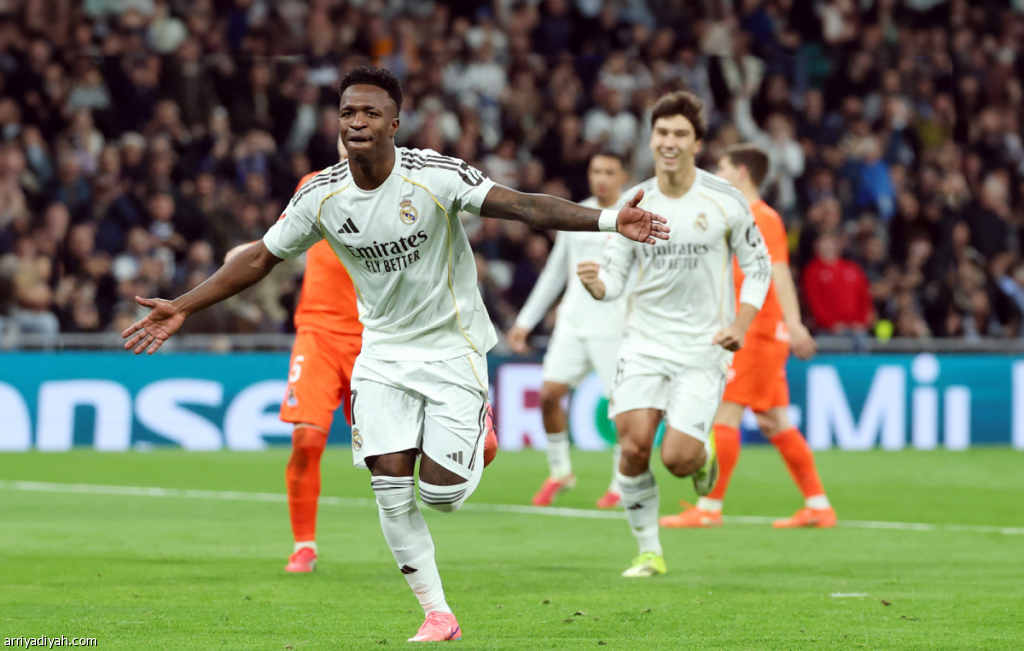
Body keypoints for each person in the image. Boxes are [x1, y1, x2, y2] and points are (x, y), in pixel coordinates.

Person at [122, 66, 668, 643]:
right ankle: (437, 614)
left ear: (394, 124)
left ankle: (479, 428)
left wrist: (609, 220)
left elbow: (523, 206)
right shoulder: (320, 194)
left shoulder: (434, 175)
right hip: (381, 352)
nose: (357, 121)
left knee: (441, 495)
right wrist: (182, 306)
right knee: (387, 483)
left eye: (370, 113)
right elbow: (259, 258)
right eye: (348, 113)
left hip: (451, 347)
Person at [578, 91, 772, 578]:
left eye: (680, 134)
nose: (669, 141)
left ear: (696, 144)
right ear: (651, 139)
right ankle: (649, 551)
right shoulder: (635, 201)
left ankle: (700, 455)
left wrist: (740, 325)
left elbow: (759, 267)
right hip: (644, 342)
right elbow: (614, 280)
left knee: (678, 460)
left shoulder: (724, 200)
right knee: (633, 446)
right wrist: (597, 286)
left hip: (703, 347)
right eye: (662, 132)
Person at [660, 144, 836, 530]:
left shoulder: (763, 217)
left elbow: (778, 271)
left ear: (742, 172)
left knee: (726, 411)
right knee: (774, 421)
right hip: (752, 329)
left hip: (756, 330)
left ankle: (709, 508)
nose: (716, 174)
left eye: (722, 167)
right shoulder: (736, 215)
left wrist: (794, 323)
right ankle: (818, 505)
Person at [224, 135, 364, 574]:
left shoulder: (401, 193)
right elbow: (286, 235)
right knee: (306, 439)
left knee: (387, 454)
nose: (350, 143)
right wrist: (252, 252)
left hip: (375, 337)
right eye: (344, 134)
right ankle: (304, 544)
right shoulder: (313, 184)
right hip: (318, 332)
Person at [506, 152, 630, 509]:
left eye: (609, 172)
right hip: (573, 324)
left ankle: (621, 484)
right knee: (548, 395)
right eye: (595, 171)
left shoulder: (631, 217)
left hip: (615, 326)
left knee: (623, 409)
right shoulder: (578, 214)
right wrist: (525, 322)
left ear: (623, 176)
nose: (601, 178)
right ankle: (560, 472)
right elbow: (555, 273)